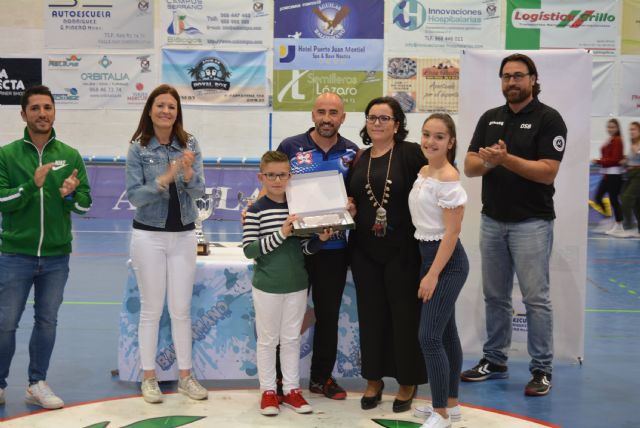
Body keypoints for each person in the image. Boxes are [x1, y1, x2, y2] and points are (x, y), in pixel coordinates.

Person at [461, 53, 567, 396]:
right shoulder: (490, 118)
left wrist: (505, 159)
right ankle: (494, 359)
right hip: (492, 220)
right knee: (496, 296)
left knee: (536, 300)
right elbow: (470, 166)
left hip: (532, 224)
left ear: (533, 79)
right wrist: (491, 162)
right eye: (506, 76)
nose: (512, 82)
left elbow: (547, 171)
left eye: (519, 76)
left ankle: (541, 369)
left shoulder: (549, 119)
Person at [0, 85, 92, 409]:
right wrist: (30, 185)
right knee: (5, 323)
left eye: (48, 107)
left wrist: (69, 195)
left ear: (55, 112)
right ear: (23, 114)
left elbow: (85, 206)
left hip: (55, 257)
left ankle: (36, 383)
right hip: (15, 255)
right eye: (36, 108)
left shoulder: (70, 155)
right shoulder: (6, 154)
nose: (42, 113)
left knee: (47, 322)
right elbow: (2, 201)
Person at [126, 84, 207, 404]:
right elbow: (135, 196)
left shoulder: (190, 144)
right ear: (150, 110)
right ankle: (149, 378)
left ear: (178, 112)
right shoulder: (138, 148)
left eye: (171, 107)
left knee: (181, 309)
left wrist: (186, 173)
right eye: (160, 106)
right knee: (150, 309)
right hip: (149, 235)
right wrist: (163, 179)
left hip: (184, 235)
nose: (166, 111)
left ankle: (186, 376)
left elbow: (199, 192)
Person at [276, 92, 359, 400]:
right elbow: (275, 187)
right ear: (312, 114)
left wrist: (352, 207)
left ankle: (321, 378)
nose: (327, 118)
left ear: (343, 117)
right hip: (295, 249)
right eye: (321, 111)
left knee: (327, 316)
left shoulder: (352, 152)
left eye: (333, 112)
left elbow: (355, 199)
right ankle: (280, 380)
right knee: (288, 316)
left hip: (333, 251)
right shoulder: (290, 146)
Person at [347, 96, 428, 412]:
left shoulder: (410, 153)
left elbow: (437, 181)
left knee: (405, 318)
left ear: (397, 124)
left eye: (384, 117)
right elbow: (352, 197)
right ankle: (373, 380)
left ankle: (408, 381)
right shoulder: (359, 158)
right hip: (365, 252)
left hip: (403, 251)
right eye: (372, 117)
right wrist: (349, 206)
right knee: (371, 318)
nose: (377, 122)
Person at [242, 151, 332, 416]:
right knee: (268, 340)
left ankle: (292, 390)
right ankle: (268, 391)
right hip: (267, 286)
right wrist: (282, 233)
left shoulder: (297, 208)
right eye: (271, 175)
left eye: (282, 174)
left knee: (291, 339)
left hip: (296, 284)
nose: (277, 180)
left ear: (290, 177)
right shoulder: (255, 210)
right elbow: (250, 250)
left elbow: (304, 248)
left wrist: (320, 240)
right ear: (262, 177)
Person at [409, 114, 469, 428]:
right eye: (426, 134)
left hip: (447, 263)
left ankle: (441, 414)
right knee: (446, 333)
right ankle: (452, 404)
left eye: (439, 136)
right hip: (427, 255)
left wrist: (432, 274)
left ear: (451, 142)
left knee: (429, 336)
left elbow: (452, 233)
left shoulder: (448, 177)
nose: (430, 142)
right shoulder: (424, 171)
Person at [591, 119, 625, 235]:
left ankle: (619, 224)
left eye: (613, 127)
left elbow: (615, 159)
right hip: (607, 174)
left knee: (614, 200)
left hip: (614, 174)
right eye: (609, 127)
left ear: (617, 128)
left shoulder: (617, 140)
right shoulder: (610, 140)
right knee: (598, 197)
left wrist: (599, 161)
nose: (610, 129)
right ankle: (607, 219)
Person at [612, 121, 640, 238]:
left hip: (638, 174)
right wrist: (625, 160)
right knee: (637, 204)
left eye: (634, 129)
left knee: (627, 198)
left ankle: (629, 227)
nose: (631, 132)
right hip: (630, 174)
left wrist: (637, 152)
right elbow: (631, 159)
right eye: (630, 129)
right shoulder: (632, 143)